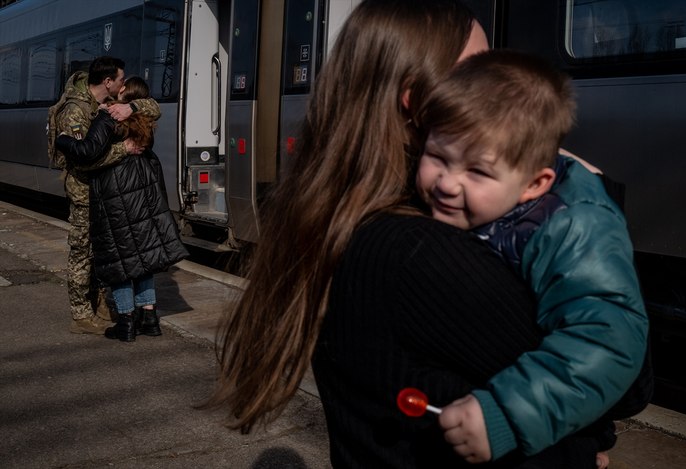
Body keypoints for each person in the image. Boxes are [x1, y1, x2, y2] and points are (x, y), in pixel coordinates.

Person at [203, 1, 647, 467]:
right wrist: (594, 200)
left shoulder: (344, 222)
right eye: (475, 71)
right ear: (415, 100)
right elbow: (626, 382)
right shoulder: (420, 253)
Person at [415, 48, 650, 465]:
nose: (447, 184)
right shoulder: (496, 200)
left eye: (477, 172)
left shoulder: (571, 227)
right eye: (437, 157)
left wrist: (507, 414)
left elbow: (607, 337)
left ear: (534, 184)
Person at [56, 76, 188, 342]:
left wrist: (62, 141)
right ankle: (149, 316)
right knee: (142, 257)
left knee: (118, 258)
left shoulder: (110, 117)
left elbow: (88, 151)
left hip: (117, 193)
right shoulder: (145, 119)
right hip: (143, 193)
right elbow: (153, 108)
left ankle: (126, 321)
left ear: (124, 91)